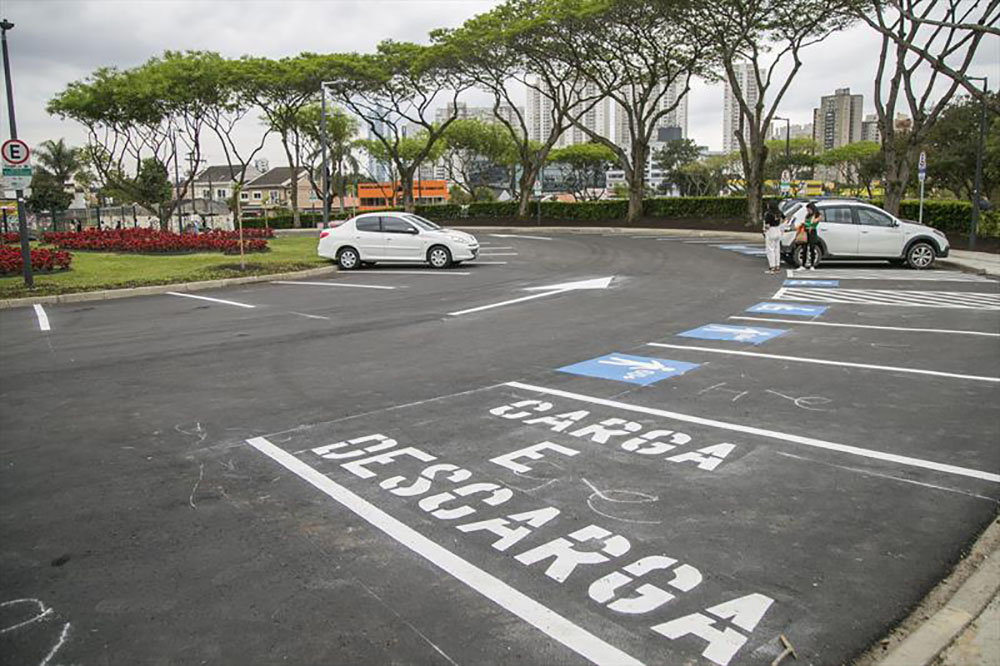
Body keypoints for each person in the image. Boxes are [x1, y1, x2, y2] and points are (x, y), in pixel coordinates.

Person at [798, 202, 822, 270]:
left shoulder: (817, 215)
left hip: (812, 232)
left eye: (809, 209)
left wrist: (811, 222)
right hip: (806, 232)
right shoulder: (807, 215)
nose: (808, 211)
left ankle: (812, 265)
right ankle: (803, 265)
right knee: (804, 248)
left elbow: (814, 222)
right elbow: (806, 222)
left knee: (812, 248)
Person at [762, 202, 783, 274]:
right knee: (777, 249)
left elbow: (767, 224)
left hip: (771, 231)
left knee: (770, 249)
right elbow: (785, 218)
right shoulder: (779, 212)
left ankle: (772, 267)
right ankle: (777, 266)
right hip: (778, 230)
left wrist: (764, 230)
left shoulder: (769, 214)